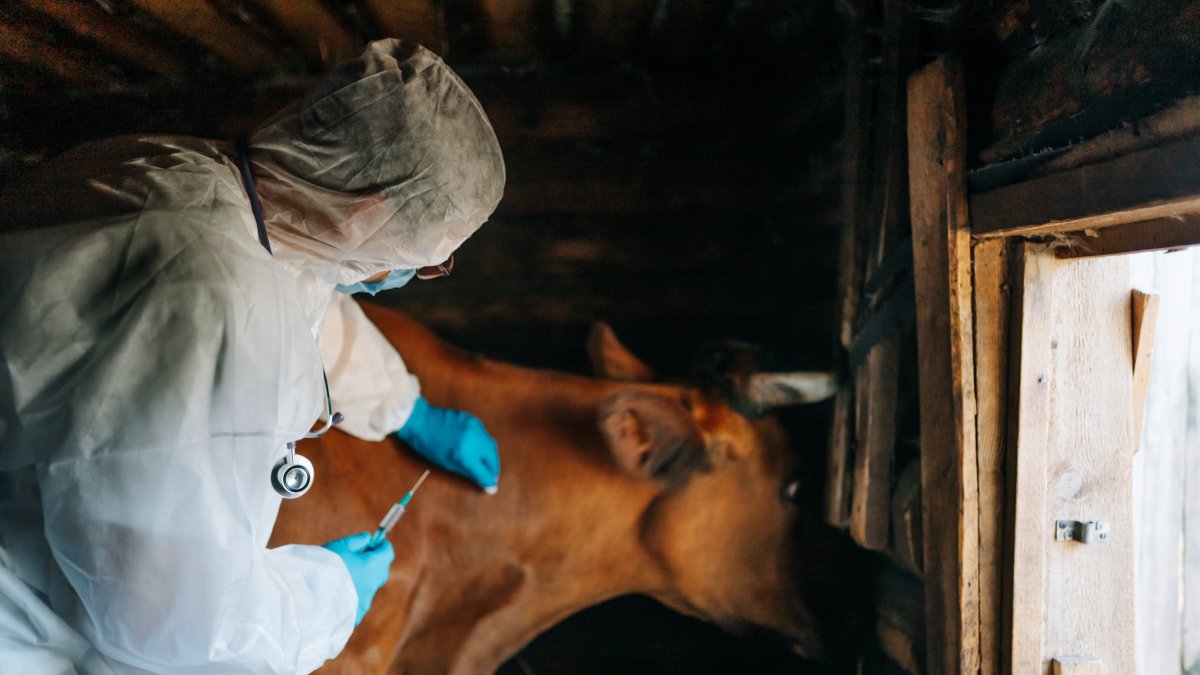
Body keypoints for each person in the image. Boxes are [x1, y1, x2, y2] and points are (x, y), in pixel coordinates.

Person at [0, 38, 504, 673]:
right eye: (427, 259)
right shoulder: (217, 308)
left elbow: (295, 290)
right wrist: (331, 595)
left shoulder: (175, 168)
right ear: (365, 213)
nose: (418, 270)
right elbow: (169, 625)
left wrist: (404, 407)